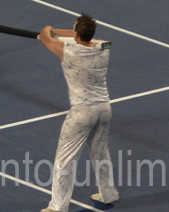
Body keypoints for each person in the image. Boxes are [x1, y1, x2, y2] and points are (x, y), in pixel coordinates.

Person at [39, 15, 119, 212]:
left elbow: (44, 37)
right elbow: (88, 38)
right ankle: (108, 193)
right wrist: (61, 32)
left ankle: (58, 207)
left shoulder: (67, 51)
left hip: (81, 114)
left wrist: (50, 28)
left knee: (64, 160)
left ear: (76, 33)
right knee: (101, 153)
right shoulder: (104, 47)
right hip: (104, 108)